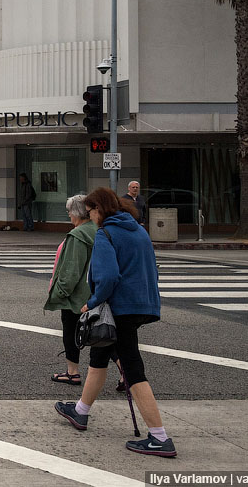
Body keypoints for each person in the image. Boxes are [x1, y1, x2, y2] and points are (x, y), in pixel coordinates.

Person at [54, 186, 175, 458]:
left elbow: (108, 277)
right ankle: (81, 411)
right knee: (98, 357)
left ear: (100, 209)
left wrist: (93, 301)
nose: (90, 216)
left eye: (91, 211)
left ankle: (159, 436)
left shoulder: (106, 234)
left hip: (119, 309)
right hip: (141, 304)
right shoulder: (138, 231)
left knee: (133, 370)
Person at [44, 194, 97, 386]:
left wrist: (59, 292)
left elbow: (71, 270)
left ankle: (72, 372)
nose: (69, 216)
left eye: (69, 212)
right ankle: (125, 374)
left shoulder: (79, 235)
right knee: (103, 334)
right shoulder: (97, 230)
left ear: (77, 213)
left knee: (71, 331)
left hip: (78, 295)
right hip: (95, 290)